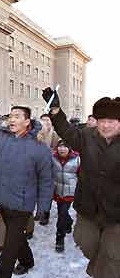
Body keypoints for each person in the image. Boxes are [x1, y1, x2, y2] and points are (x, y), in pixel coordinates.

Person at [0, 84, 54, 278]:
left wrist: (44, 207)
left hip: (22, 204)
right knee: (17, 238)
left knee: (10, 247)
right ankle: (27, 260)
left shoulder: (39, 148)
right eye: (10, 115)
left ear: (27, 121)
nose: (11, 119)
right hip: (2, 198)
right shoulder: (0, 136)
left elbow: (47, 181)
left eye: (17, 116)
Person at [42, 88, 120, 278]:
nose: (106, 126)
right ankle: (101, 265)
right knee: (84, 242)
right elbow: (68, 132)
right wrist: (56, 111)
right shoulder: (87, 136)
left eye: (111, 121)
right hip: (88, 207)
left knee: (114, 253)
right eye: (102, 121)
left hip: (116, 212)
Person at [52, 139, 80, 252]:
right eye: (60, 146)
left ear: (69, 148)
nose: (62, 149)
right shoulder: (52, 158)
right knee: (61, 213)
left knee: (62, 213)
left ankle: (60, 238)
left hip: (70, 191)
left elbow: (82, 176)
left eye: (65, 147)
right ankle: (68, 222)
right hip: (58, 190)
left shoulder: (77, 159)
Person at [35, 113, 60, 225]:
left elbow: (57, 150)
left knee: (46, 192)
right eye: (43, 120)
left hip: (49, 167)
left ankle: (45, 213)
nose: (45, 122)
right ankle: (38, 211)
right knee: (37, 190)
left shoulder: (54, 135)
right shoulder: (36, 134)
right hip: (36, 167)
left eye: (47, 120)